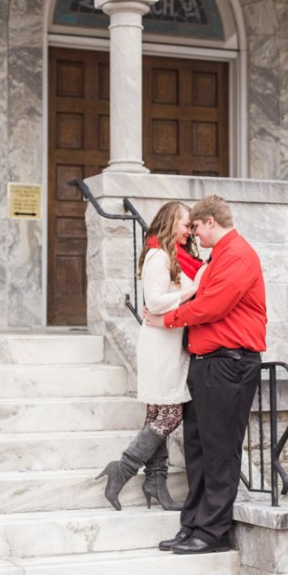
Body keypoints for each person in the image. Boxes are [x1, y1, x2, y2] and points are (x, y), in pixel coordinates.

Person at [142, 194, 267, 555]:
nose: (192, 234)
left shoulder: (239, 254)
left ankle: (212, 534)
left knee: (220, 450)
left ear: (210, 222)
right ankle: (193, 524)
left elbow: (212, 306)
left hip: (230, 363)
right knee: (197, 449)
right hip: (206, 364)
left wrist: (168, 319)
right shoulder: (217, 257)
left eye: (195, 226)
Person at [97, 201, 205, 511]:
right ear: (171, 224)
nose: (189, 231)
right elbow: (155, 304)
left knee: (158, 415)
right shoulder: (158, 256)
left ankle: (156, 482)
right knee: (170, 415)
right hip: (160, 346)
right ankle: (124, 468)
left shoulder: (171, 256)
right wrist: (191, 290)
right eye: (186, 225)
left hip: (168, 343)